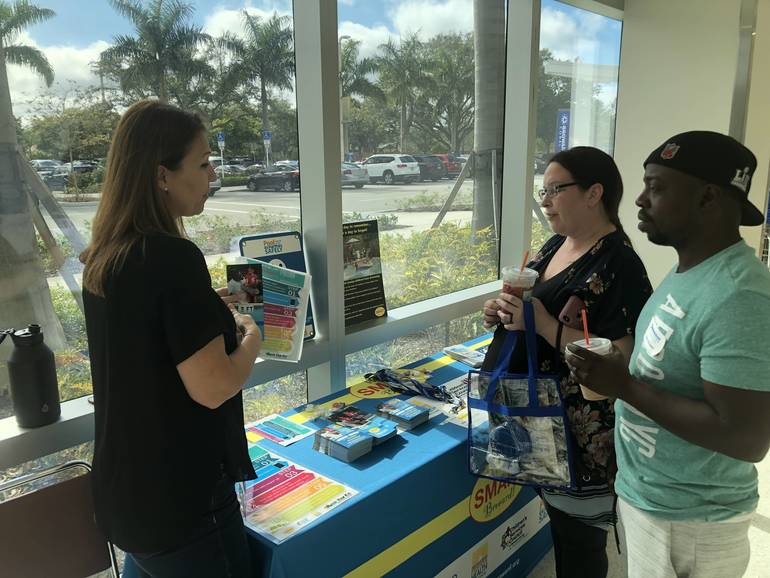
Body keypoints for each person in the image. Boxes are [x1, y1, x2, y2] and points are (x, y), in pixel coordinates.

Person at [566, 131, 770, 578]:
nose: (640, 200)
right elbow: (671, 371)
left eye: (656, 187)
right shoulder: (690, 272)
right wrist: (619, 371)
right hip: (654, 500)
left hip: (691, 521)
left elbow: (746, 437)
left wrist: (623, 386)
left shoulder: (740, 295)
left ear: (708, 198)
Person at [80, 100, 262, 578]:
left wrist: (204, 309)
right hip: (182, 505)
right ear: (162, 175)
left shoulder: (105, 256)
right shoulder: (171, 257)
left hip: (125, 494)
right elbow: (215, 387)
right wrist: (251, 336)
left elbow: (145, 341)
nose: (213, 174)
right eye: (202, 164)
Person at [481, 146, 652, 578]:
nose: (545, 201)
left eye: (555, 190)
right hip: (537, 417)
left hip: (580, 432)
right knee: (562, 529)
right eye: (543, 191)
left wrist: (542, 325)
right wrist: (503, 314)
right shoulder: (556, 243)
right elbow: (533, 312)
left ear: (594, 193)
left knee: (580, 543)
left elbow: (624, 356)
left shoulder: (619, 263)